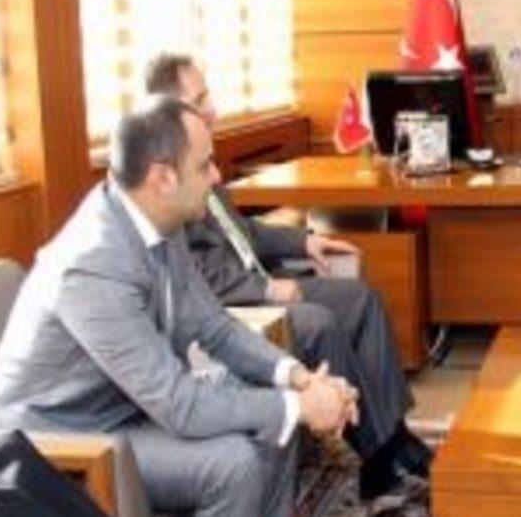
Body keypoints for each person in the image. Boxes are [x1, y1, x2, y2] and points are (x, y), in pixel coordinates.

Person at [0, 96, 359, 516]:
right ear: (162, 178)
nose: (216, 176)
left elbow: (213, 325)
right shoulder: (92, 265)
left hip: (128, 406)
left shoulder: (161, 218)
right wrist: (301, 406)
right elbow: (180, 405)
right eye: (205, 165)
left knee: (273, 422)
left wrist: (299, 378)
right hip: (61, 440)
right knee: (236, 464)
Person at [143, 53, 431, 507]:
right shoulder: (166, 177)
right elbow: (191, 276)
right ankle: (378, 459)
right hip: (240, 301)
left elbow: (242, 230)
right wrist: (264, 290)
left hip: (260, 279)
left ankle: (394, 435)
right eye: (200, 100)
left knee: (361, 299)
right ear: (169, 111)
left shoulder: (201, 160)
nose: (212, 108)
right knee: (320, 322)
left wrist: (304, 241)